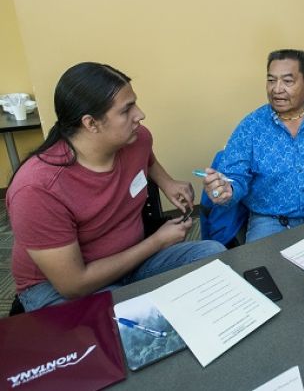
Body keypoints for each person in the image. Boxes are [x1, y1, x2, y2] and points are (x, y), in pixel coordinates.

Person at [7, 62, 226, 312]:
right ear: (91, 123)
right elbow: (74, 285)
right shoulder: (37, 189)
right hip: (61, 288)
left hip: (132, 259)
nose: (140, 115)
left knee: (214, 254)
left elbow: (147, 160)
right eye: (127, 110)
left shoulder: (136, 139)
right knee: (139, 321)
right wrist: (157, 242)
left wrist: (167, 183)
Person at [200, 49, 304, 242]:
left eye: (287, 81)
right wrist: (228, 191)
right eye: (271, 80)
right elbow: (234, 176)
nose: (277, 89)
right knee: (262, 270)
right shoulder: (251, 126)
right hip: (269, 222)